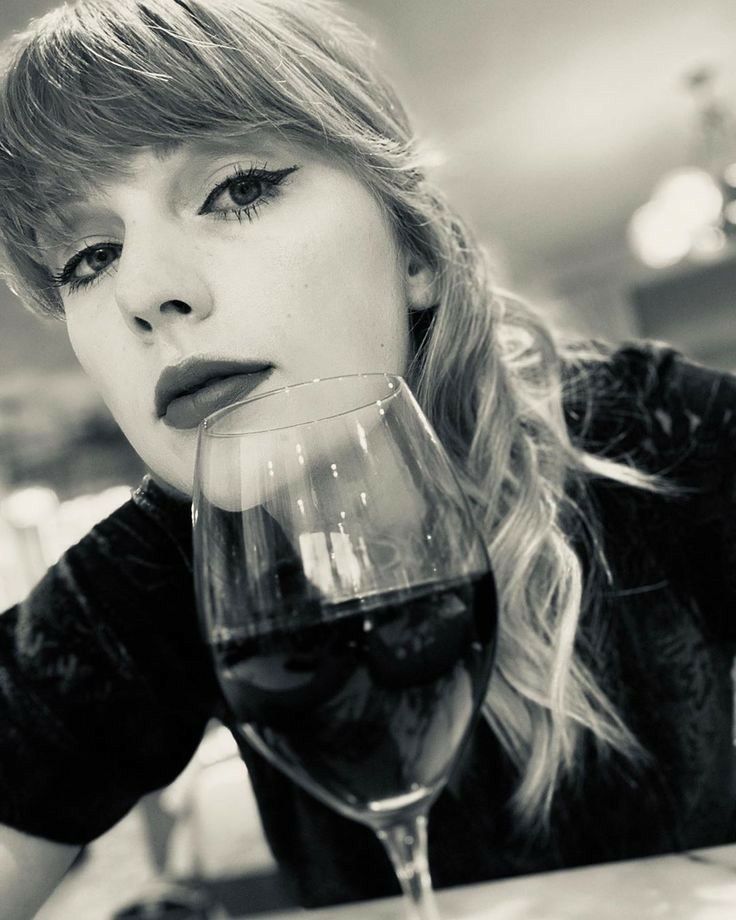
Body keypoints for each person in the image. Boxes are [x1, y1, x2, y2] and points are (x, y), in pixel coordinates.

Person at [0, 0, 734, 915]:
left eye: (237, 188)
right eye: (88, 257)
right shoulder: (159, 566)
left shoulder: (662, 434)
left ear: (415, 251)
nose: (147, 293)